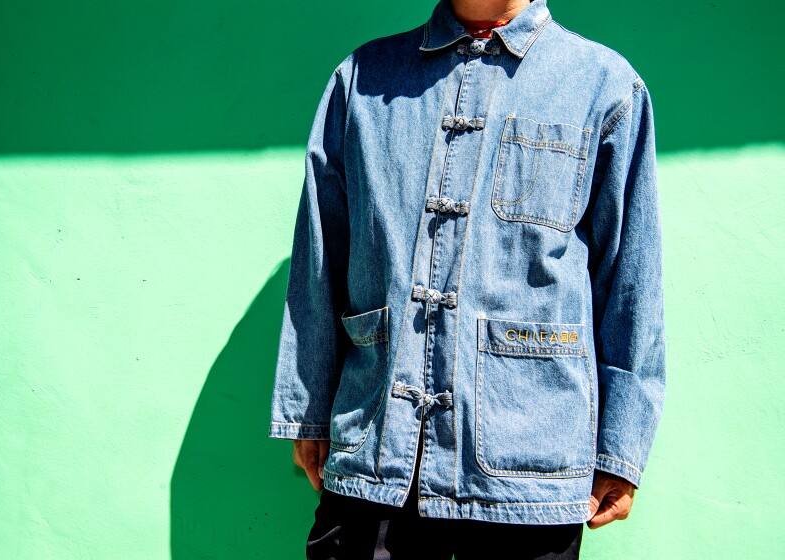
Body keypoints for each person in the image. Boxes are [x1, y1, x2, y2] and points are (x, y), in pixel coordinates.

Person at [268, 0, 666, 557]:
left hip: (529, 464)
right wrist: (308, 408)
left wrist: (621, 447)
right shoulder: (362, 80)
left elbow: (630, 278)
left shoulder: (604, 86)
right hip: (379, 446)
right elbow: (321, 249)